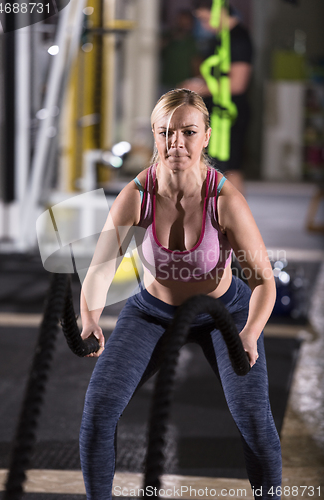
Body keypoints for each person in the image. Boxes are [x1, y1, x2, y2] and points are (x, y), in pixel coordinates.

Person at [79, 89, 282, 500]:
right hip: (153, 313)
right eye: (166, 132)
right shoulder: (135, 197)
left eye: (188, 132)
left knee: (255, 424)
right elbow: (100, 271)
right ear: (155, 136)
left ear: (205, 135)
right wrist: (89, 317)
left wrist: (248, 333)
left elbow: (264, 281)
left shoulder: (225, 200)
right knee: (98, 413)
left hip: (223, 316)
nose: (176, 143)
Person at [181, 0, 253, 194]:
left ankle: (237, 221)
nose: (204, 25)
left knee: (229, 167)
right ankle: (221, 219)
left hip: (230, 113)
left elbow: (238, 83)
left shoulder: (237, 39)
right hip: (219, 112)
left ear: (219, 12)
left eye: (205, 19)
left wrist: (201, 88)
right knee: (218, 167)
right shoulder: (222, 37)